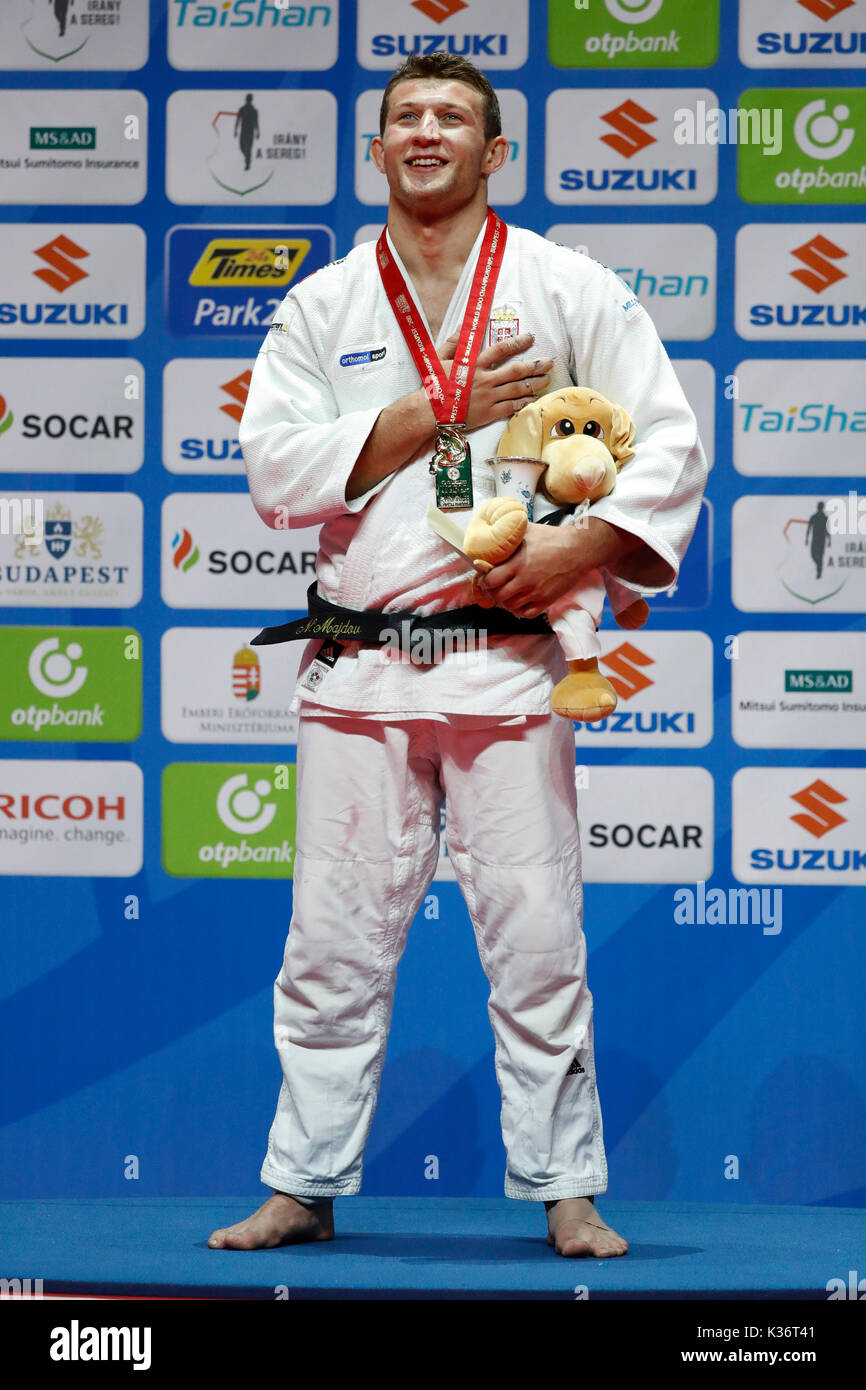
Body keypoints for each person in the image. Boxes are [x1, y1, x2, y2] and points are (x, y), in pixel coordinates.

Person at [208, 53, 707, 1259]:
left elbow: (668, 441)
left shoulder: (565, 285)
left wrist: (570, 550)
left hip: (505, 663)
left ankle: (565, 1187)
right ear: (374, 154)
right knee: (330, 943)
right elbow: (272, 471)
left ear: (494, 155)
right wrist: (435, 412)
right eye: (403, 120)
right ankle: (303, 1182)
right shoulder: (322, 305)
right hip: (359, 672)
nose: (424, 132)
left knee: (537, 939)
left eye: (451, 119)